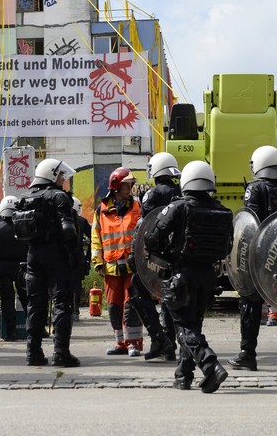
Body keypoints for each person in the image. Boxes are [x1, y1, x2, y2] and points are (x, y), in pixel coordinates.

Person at [142, 161, 232, 392]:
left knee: (183, 327)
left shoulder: (178, 207)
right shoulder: (223, 210)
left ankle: (210, 365)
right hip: (209, 277)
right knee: (194, 325)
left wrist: (165, 257)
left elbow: (151, 238)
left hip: (181, 274)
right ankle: (183, 375)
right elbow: (228, 246)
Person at [229, 146, 277, 372]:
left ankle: (247, 355)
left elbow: (250, 223)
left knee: (250, 303)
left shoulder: (256, 188)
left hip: (262, 254)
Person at [20, 158, 81, 367]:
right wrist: (74, 254)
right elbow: (68, 230)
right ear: (52, 175)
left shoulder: (26, 197)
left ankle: (33, 352)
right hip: (56, 255)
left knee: (35, 304)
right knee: (62, 303)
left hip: (32, 255)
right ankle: (61, 352)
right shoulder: (59, 197)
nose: (63, 179)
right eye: (61, 175)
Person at [128, 152, 179, 361]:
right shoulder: (182, 191)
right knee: (169, 296)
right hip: (178, 254)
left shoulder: (152, 194)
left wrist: (136, 254)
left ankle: (159, 338)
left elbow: (145, 226)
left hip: (157, 253)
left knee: (136, 287)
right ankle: (169, 341)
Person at [92, 167, 143, 356]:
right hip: (111, 266)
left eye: (131, 185)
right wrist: (97, 261)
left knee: (132, 304)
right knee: (114, 305)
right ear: (116, 185)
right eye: (126, 185)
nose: (130, 188)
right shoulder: (101, 209)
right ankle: (120, 343)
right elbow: (96, 237)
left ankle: (134, 344)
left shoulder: (138, 206)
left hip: (133, 265)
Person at [0, 195, 28, 341]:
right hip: (21, 267)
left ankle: (10, 332)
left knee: (7, 300)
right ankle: (36, 329)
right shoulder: (22, 225)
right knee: (26, 298)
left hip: (2, 267)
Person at [71, 196, 91, 322]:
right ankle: (75, 311)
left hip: (61, 258)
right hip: (77, 258)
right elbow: (94, 238)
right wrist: (88, 257)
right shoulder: (82, 221)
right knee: (76, 285)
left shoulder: (56, 219)